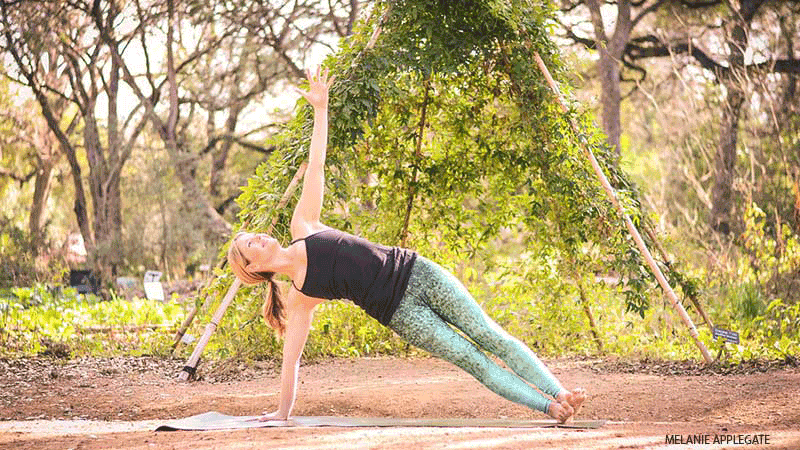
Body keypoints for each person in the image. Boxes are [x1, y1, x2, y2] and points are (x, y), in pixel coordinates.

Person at [227, 66, 586, 423]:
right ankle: (551, 408)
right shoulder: (301, 295)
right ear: (254, 268)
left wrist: (321, 109)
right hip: (401, 314)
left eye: (252, 235)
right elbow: (292, 360)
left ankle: (559, 391)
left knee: (490, 335)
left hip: (418, 271)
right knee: (472, 360)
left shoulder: (303, 226)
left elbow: (317, 165)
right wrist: (281, 412)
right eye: (250, 245)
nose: (258, 237)